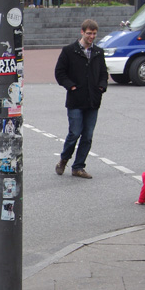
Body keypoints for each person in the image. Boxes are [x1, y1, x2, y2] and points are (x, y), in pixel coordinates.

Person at [54, 19, 107, 179]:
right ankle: (64, 159)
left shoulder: (98, 52)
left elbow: (104, 73)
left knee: (88, 135)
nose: (92, 37)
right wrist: (71, 86)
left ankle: (78, 167)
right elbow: (60, 73)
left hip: (93, 100)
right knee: (75, 133)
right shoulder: (69, 51)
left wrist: (101, 87)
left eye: (94, 34)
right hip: (76, 100)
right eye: (89, 33)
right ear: (82, 32)